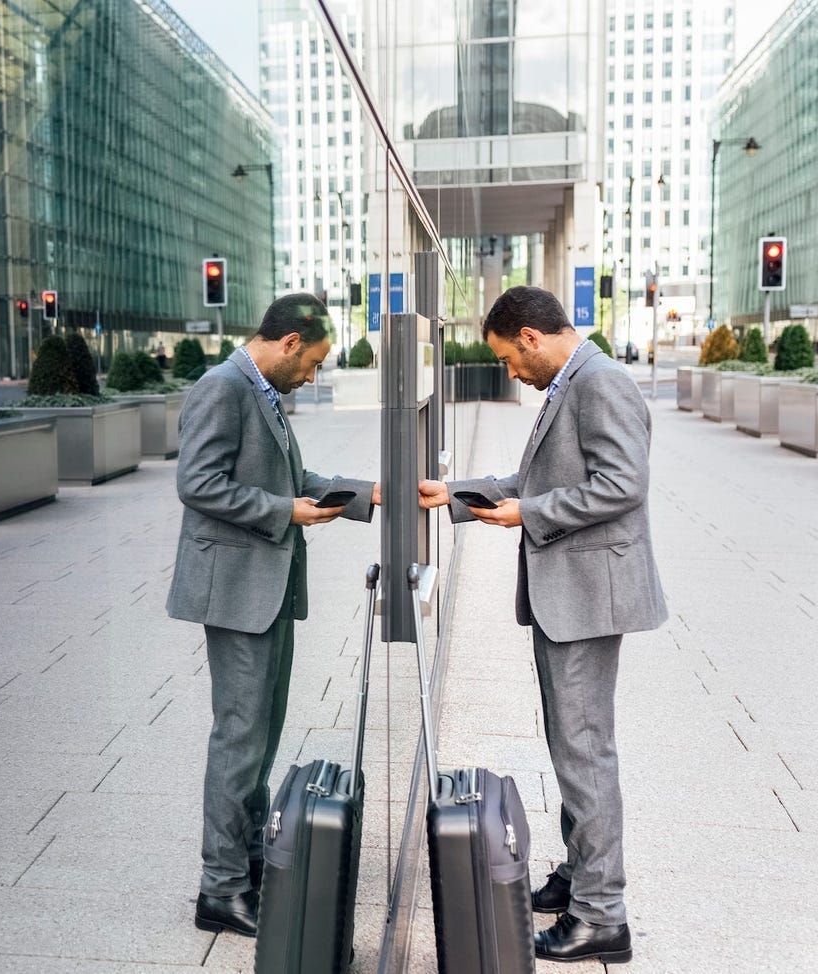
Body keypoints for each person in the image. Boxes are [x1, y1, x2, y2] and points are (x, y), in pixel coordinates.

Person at [419, 286, 666, 965]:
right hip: (575, 593)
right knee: (571, 744)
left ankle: (601, 914)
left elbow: (623, 484)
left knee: (584, 750)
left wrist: (529, 515)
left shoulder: (601, 382)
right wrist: (463, 495)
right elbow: (531, 477)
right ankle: (581, 875)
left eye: (506, 358)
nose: (509, 372)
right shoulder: (572, 381)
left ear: (530, 337)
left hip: (588, 595)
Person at [167, 292, 379, 938]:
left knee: (258, 735)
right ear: (289, 344)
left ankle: (250, 862)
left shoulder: (260, 390)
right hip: (236, 591)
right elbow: (197, 484)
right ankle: (221, 888)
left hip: (264, 588)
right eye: (312, 364)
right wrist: (284, 512)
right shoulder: (223, 387)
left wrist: (366, 496)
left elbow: (291, 473)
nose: (313, 376)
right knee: (240, 738)